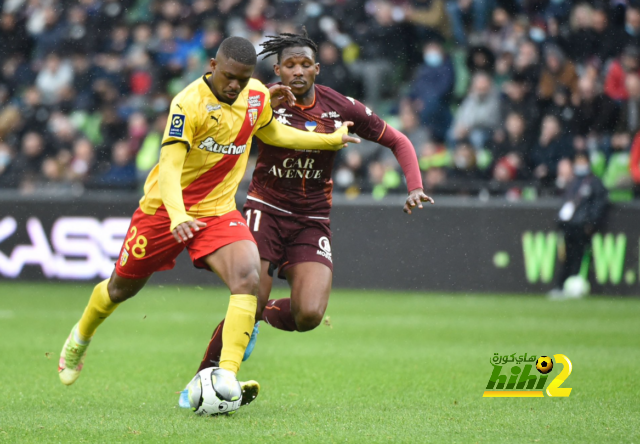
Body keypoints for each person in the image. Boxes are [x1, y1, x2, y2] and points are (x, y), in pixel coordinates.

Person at [57, 36, 360, 403]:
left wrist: (329, 141)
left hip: (217, 210)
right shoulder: (188, 103)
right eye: (229, 76)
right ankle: (80, 338)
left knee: (248, 278)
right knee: (121, 289)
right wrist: (178, 215)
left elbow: (273, 131)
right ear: (213, 67)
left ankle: (225, 378)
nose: (235, 85)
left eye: (243, 78)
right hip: (164, 211)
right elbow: (169, 168)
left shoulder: (255, 95)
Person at [179, 30, 431, 407]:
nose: (297, 72)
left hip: (312, 219)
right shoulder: (260, 99)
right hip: (266, 209)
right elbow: (217, 127)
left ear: (316, 68)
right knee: (248, 295)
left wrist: (414, 185)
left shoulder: (340, 107)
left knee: (309, 314)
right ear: (278, 69)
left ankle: (257, 321)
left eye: (304, 65)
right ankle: (204, 379)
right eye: (289, 66)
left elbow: (398, 140)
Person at [551, 152, 608, 296]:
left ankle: (576, 286)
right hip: (569, 225)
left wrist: (591, 223)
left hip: (583, 226)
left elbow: (598, 204)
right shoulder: (573, 181)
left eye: (582, 161)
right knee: (567, 257)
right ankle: (561, 286)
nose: (580, 165)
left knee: (580, 256)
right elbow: (565, 203)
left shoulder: (595, 182)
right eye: (578, 161)